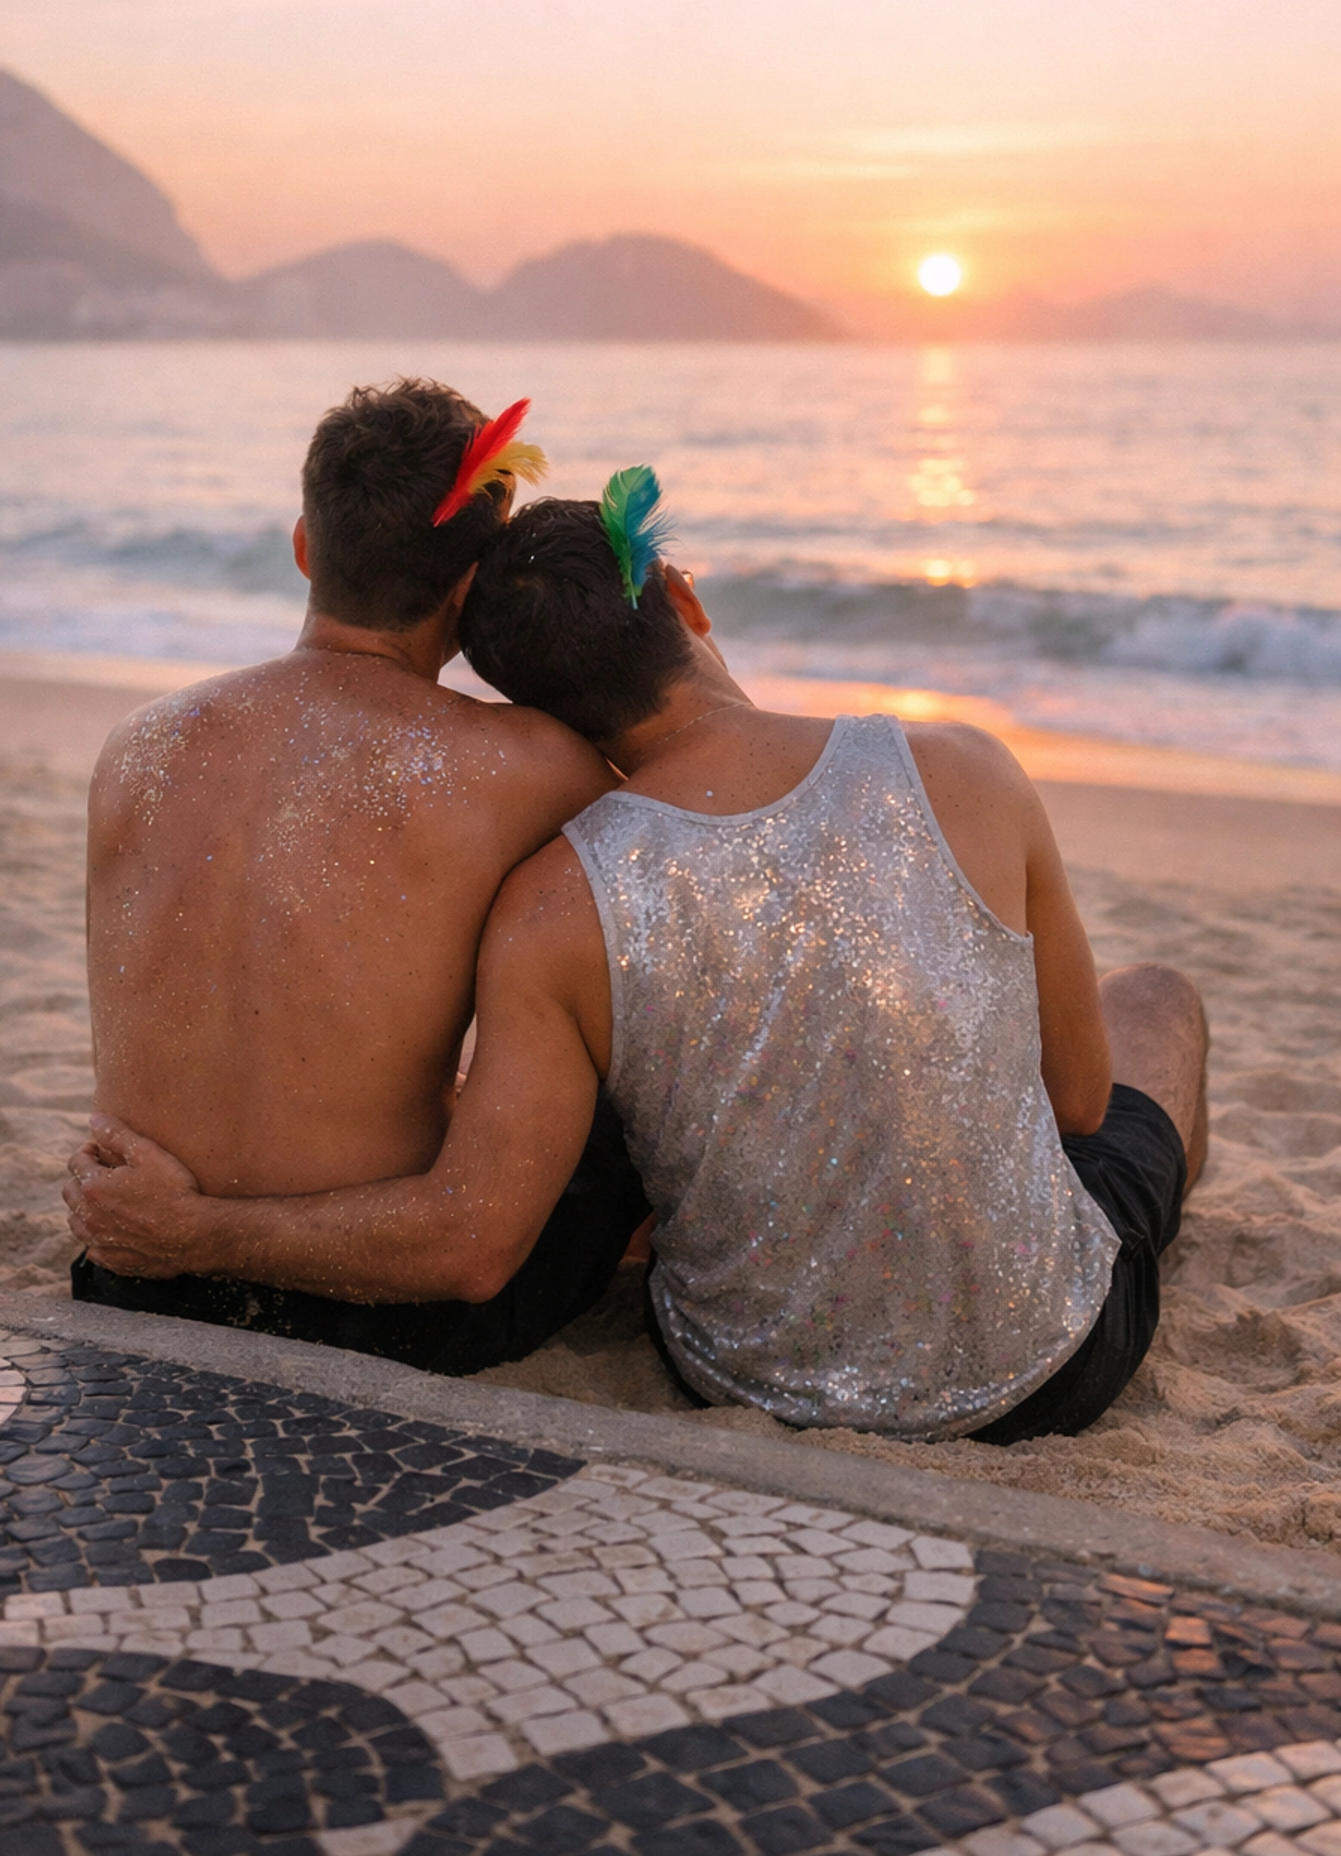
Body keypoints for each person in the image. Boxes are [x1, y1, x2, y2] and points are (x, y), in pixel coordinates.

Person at [68, 471, 1207, 1442]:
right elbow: (1079, 1099)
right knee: (1158, 1001)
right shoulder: (967, 769)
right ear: (681, 595)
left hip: (741, 1380)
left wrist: (195, 1226)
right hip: (1051, 1368)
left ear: (523, 702)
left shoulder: (555, 902)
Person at [71, 384, 646, 1376]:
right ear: (472, 588)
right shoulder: (525, 769)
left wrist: (175, 1229)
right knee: (622, 1056)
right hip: (379, 1311)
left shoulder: (138, 745)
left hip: (128, 1269)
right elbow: (701, 847)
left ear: (304, 545)